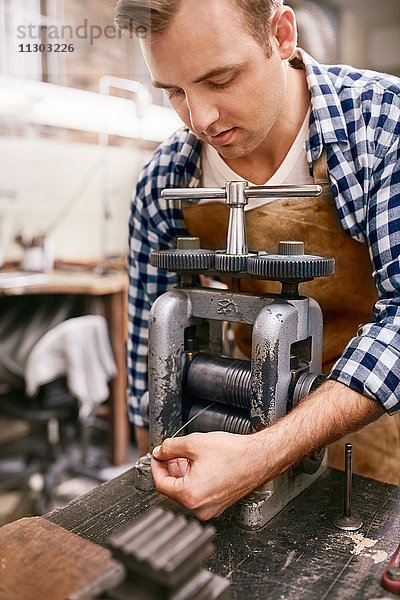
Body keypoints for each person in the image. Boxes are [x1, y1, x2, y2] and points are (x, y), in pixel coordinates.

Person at [115, 0, 400, 520]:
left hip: (376, 435)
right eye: (175, 92)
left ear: (281, 35)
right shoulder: (166, 181)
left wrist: (266, 453)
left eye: (220, 80)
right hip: (232, 426)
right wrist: (160, 473)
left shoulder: (380, 127)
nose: (200, 119)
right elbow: (146, 353)